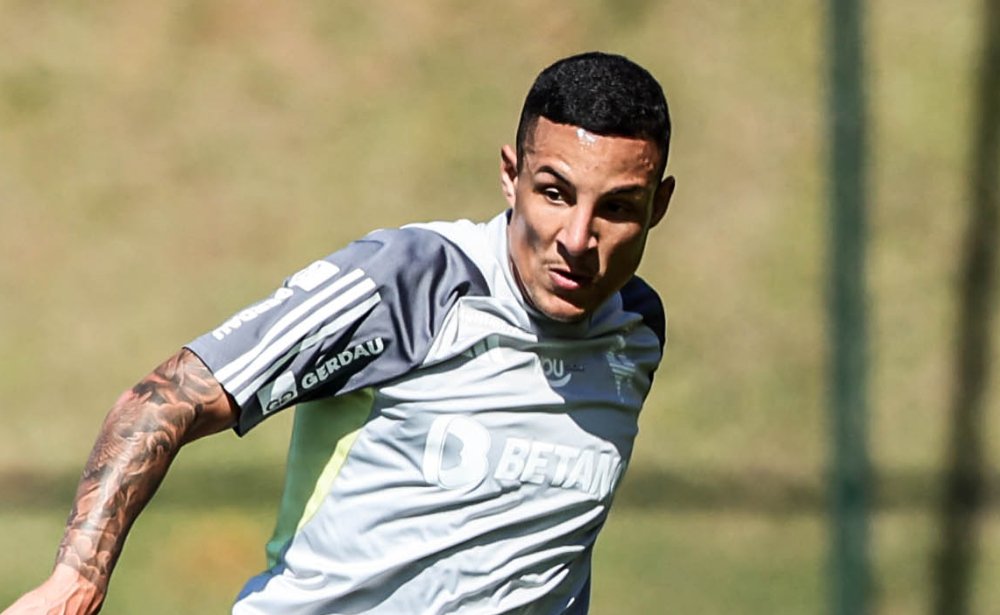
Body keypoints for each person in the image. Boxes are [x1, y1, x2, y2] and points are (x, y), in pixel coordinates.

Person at [4, 50, 676, 614]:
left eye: (617, 209)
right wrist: (77, 579)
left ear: (658, 208)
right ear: (510, 177)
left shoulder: (637, 330)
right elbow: (165, 398)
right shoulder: (412, 283)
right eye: (554, 193)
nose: (579, 239)